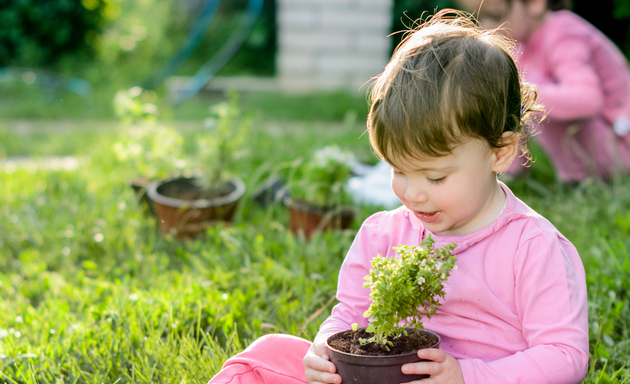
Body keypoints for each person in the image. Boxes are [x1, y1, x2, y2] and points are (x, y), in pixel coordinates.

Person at [208, 9, 589, 384]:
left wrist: (466, 376)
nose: (413, 193)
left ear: (500, 152)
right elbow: (349, 316)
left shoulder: (533, 247)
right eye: (398, 171)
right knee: (267, 353)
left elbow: (564, 355)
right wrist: (324, 348)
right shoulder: (383, 234)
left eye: (435, 176)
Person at [457, 0, 630, 182]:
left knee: (523, 86)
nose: (486, 28)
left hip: (619, 147)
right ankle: (515, 172)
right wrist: (510, 170)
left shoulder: (563, 32)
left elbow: (588, 100)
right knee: (513, 84)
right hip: (600, 149)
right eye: (480, 19)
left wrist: (521, 94)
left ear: (534, 3)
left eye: (496, 16)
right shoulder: (521, 46)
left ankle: (577, 178)